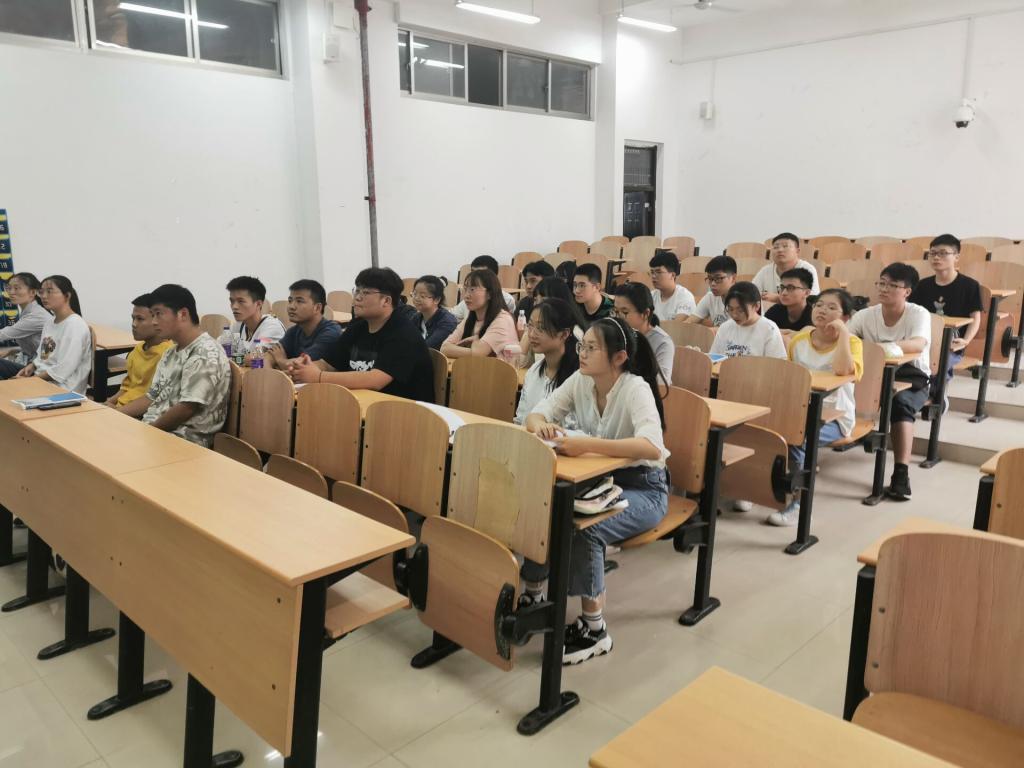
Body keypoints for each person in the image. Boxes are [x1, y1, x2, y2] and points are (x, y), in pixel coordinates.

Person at [526, 317, 668, 665]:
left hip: (645, 489)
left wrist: (589, 445)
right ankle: (533, 596)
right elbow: (537, 414)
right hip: (598, 482)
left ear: (618, 358)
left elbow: (652, 446)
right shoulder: (581, 380)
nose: (582, 354)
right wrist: (542, 427)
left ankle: (595, 629)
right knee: (542, 507)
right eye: (582, 346)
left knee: (586, 527)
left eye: (591, 348)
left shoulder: (635, 388)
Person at [770, 289, 864, 526]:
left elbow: (843, 371)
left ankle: (799, 505)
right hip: (799, 410)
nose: (822, 310)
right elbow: (788, 378)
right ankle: (757, 490)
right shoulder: (800, 340)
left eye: (832, 308)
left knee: (799, 438)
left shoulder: (853, 343)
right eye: (819, 305)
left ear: (845, 317)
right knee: (765, 430)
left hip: (835, 417)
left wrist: (843, 334)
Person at [848, 263, 931, 501]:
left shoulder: (918, 314)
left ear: (907, 291)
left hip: (911, 374)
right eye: (881, 283)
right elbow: (847, 339)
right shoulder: (865, 315)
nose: (884, 289)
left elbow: (917, 343)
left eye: (892, 285)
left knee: (900, 403)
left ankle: (901, 474)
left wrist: (878, 348)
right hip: (873, 371)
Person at [288, 267, 434, 402]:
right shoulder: (358, 327)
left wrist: (318, 376)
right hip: (364, 405)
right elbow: (329, 364)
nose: (357, 297)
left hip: (406, 412)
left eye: (365, 292)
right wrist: (303, 367)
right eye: (357, 291)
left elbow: (375, 380)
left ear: (386, 300)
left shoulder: (403, 333)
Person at [118, 284, 230, 447]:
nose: (154, 322)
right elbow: (151, 397)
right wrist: (115, 414)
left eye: (158, 314)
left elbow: (186, 408)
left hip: (184, 442)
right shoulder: (171, 352)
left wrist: (146, 432)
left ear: (182, 314)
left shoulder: (205, 352)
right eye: (152, 315)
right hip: (156, 433)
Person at [909, 234, 983, 401]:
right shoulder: (923, 285)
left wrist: (966, 341)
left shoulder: (970, 285)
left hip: (952, 343)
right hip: (924, 340)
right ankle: (917, 395)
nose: (936, 257)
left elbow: (975, 318)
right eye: (933, 253)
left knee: (940, 361)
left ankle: (936, 399)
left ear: (956, 257)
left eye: (943, 253)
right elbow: (912, 314)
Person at [16, 275, 91, 395]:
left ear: (67, 296)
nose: (44, 296)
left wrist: (31, 381)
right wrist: (32, 365)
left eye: (49, 291)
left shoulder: (75, 325)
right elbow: (43, 355)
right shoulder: (50, 322)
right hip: (42, 380)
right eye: (41, 292)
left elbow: (63, 369)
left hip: (63, 390)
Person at [514, 298, 579, 424]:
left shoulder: (576, 377)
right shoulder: (534, 371)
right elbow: (520, 419)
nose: (532, 334)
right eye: (530, 326)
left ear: (564, 334)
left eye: (541, 328)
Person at [106, 294, 173, 407]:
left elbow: (152, 400)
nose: (134, 324)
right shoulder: (137, 350)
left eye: (140, 319)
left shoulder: (168, 355)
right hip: (122, 408)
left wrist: (117, 411)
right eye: (133, 318)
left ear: (157, 320)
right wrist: (108, 403)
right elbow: (126, 387)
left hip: (139, 413)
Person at [441, 269, 519, 359]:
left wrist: (474, 341)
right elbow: (444, 348)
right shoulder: (471, 318)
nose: (466, 295)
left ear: (489, 294)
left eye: (472, 289)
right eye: (465, 289)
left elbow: (479, 354)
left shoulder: (503, 320)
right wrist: (475, 345)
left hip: (502, 368)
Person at [266, 279, 342, 369]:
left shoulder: (331, 332)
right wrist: (264, 369)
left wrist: (280, 360)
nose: (291, 306)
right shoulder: (293, 331)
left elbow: (300, 365)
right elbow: (268, 357)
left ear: (317, 308)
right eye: (290, 301)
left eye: (299, 301)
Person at [710, 282, 787, 359]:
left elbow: (776, 364)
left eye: (740, 310)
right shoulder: (725, 328)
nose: (734, 315)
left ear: (757, 306)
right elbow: (714, 359)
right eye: (730, 309)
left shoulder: (769, 329)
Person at [614, 282, 673, 382]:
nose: (618, 318)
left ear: (645, 313)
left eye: (624, 312)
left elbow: (661, 383)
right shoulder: (615, 334)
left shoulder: (662, 342)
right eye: (616, 311)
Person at [0, 273, 49, 380]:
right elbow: (36, 346)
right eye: (9, 288)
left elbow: (4, 334)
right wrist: (13, 350)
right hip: (33, 365)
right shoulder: (28, 312)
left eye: (17, 288)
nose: (11, 292)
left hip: (40, 370)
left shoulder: (36, 316)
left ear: (33, 292)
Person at [753, 233, 820, 302]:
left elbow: (813, 300)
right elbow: (751, 293)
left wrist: (778, 298)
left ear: (797, 251)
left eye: (785, 246)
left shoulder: (807, 269)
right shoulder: (765, 271)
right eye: (776, 247)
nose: (780, 250)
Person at [450, 256, 515, 321]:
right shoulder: (469, 298)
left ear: (493, 277)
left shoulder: (507, 300)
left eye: (480, 274)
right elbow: (452, 316)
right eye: (473, 272)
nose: (474, 277)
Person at [226, 275, 285, 345]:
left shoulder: (272, 327)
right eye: (232, 301)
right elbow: (218, 347)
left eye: (241, 301)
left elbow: (258, 351)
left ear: (258, 304)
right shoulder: (238, 325)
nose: (234, 306)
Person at [686, 255, 737, 327]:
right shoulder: (710, 297)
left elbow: (731, 329)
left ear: (733, 278)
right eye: (710, 279)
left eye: (718, 278)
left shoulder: (743, 300)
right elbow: (689, 322)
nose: (713, 283)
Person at [410, 275, 458, 350]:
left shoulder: (447, 322)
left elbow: (428, 347)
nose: (416, 298)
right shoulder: (416, 317)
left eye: (422, 296)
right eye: (415, 293)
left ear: (437, 300)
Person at [648, 249, 697, 320]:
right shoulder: (651, 296)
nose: (653, 276)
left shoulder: (685, 297)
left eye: (658, 272)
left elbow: (677, 324)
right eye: (652, 272)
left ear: (673, 275)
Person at [764, 267, 815, 334]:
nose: (784, 293)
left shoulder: (813, 315)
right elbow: (762, 330)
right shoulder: (776, 310)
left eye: (791, 288)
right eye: (782, 287)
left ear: (806, 293)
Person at [514, 260, 556, 327]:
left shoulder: (557, 305)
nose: (528, 286)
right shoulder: (523, 304)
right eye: (526, 281)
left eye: (533, 281)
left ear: (547, 281)